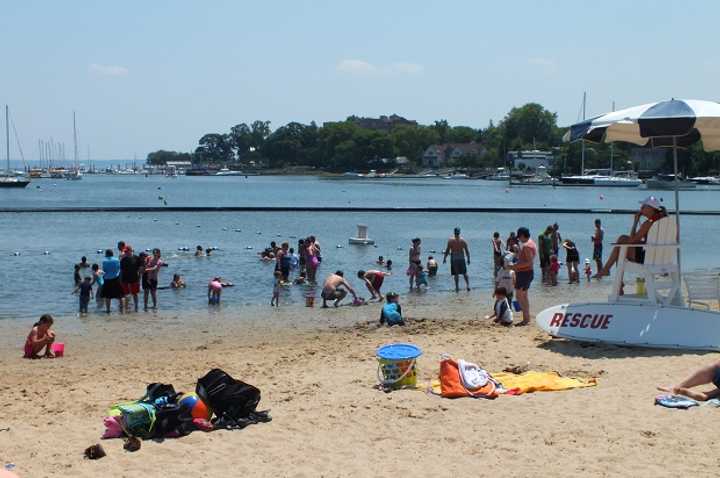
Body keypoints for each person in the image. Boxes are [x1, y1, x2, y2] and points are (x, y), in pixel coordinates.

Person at [594, 196, 668, 278]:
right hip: (663, 259)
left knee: (621, 243)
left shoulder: (648, 223)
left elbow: (632, 241)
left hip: (648, 260)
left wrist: (635, 222)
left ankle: (609, 273)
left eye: (643, 207)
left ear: (651, 208)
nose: (641, 208)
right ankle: (607, 270)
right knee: (622, 243)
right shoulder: (668, 222)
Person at [511, 227, 536, 326]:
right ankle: (527, 318)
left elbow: (529, 262)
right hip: (527, 272)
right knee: (524, 296)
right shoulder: (532, 243)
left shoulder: (526, 246)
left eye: (519, 237)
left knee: (519, 296)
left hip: (524, 273)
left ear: (522, 235)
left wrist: (513, 266)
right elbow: (526, 259)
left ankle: (526, 319)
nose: (519, 239)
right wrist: (518, 253)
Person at [443, 227, 471, 292]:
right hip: (461, 257)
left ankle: (457, 287)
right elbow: (467, 251)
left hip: (454, 257)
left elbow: (447, 250)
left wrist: (444, 258)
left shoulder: (450, 240)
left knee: (456, 273)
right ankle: (468, 286)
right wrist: (468, 259)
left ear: (454, 232)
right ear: (459, 232)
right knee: (464, 272)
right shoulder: (463, 240)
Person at [100, 249, 124, 314]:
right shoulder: (117, 260)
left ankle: (108, 310)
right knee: (120, 295)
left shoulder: (104, 261)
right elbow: (119, 268)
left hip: (107, 279)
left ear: (107, 254)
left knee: (107, 296)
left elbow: (104, 270)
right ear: (112, 253)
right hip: (116, 278)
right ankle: (122, 309)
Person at [120, 245, 142, 312]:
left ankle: (136, 307)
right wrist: (120, 280)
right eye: (125, 251)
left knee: (135, 293)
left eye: (126, 251)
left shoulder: (137, 258)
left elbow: (140, 269)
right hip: (125, 278)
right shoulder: (123, 259)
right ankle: (126, 307)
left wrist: (139, 278)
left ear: (130, 250)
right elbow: (121, 270)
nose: (125, 252)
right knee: (126, 294)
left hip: (134, 278)